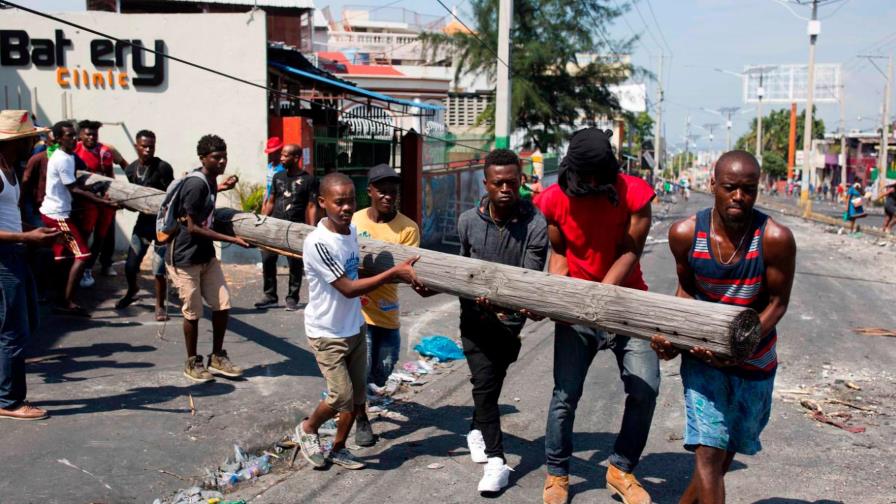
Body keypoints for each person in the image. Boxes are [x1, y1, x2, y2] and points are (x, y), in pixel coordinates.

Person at [651, 150, 796, 504]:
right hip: (702, 358)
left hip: (754, 359)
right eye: (730, 187)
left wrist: (736, 348)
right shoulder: (685, 234)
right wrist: (674, 337)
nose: (739, 197)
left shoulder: (774, 238)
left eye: (748, 189)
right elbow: (686, 291)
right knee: (708, 452)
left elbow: (777, 303)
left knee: (724, 451)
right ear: (712, 184)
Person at [534, 128, 658, 504]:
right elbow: (558, 254)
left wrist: (600, 299)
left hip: (627, 302)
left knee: (645, 388)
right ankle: (557, 473)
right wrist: (560, 297)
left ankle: (621, 468)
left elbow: (630, 250)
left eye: (596, 175)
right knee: (565, 395)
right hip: (577, 308)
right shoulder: (553, 200)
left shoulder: (635, 192)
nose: (589, 182)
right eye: (582, 175)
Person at [295, 172, 420, 471]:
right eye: (339, 202)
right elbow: (348, 289)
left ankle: (338, 448)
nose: (346, 208)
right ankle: (308, 429)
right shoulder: (318, 243)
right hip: (327, 332)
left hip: (353, 326)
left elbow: (355, 274)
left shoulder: (350, 232)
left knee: (357, 397)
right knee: (341, 395)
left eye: (350, 201)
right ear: (323, 202)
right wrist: (393, 273)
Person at [457, 149, 548, 494]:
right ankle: (497, 461)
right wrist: (475, 300)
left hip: (510, 322)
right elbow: (461, 271)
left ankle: (477, 427)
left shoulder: (535, 224)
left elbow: (530, 277)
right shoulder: (467, 221)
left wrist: (501, 305)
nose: (506, 188)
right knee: (483, 382)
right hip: (473, 319)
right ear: (487, 184)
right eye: (499, 183)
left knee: (492, 381)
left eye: (512, 181)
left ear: (521, 181)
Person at [351, 163, 425, 447]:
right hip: (357, 309)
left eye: (392, 192)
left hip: (387, 309)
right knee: (363, 367)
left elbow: (406, 271)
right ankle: (360, 417)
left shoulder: (407, 229)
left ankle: (355, 392)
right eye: (382, 191)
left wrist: (374, 271)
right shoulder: (355, 221)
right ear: (369, 191)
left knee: (382, 371)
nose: (387, 196)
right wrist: (388, 271)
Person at [166, 134, 247, 382]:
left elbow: (206, 203)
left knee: (222, 303)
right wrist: (232, 240)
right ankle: (192, 362)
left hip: (205, 255)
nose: (222, 161)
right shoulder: (197, 184)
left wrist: (222, 187)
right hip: (185, 256)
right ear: (203, 158)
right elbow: (192, 227)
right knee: (193, 312)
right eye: (216, 157)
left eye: (224, 156)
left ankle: (217, 356)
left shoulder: (210, 181)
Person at [0, 110, 61, 420]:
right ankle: (9, 401)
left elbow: (8, 217)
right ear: (16, 141)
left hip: (16, 253)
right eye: (30, 137)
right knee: (12, 331)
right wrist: (27, 235)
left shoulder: (9, 167)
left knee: (29, 323)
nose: (36, 141)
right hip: (3, 259)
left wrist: (35, 232)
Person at [39, 121, 118, 316]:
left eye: (74, 135)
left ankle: (59, 297)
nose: (74, 138)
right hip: (58, 215)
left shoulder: (66, 156)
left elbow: (76, 184)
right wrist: (103, 202)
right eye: (69, 135)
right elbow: (74, 189)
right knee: (82, 256)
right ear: (58, 138)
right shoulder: (63, 159)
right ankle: (68, 302)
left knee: (63, 257)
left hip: (54, 212)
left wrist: (92, 189)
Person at [115, 130, 175, 321]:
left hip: (160, 226)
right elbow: (134, 199)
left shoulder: (163, 168)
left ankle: (159, 306)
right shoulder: (132, 169)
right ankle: (132, 290)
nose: (148, 150)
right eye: (144, 146)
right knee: (130, 266)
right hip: (142, 224)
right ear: (136, 147)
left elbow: (171, 196)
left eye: (151, 146)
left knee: (158, 269)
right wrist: (122, 203)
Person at [255, 143, 316, 311]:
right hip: (274, 226)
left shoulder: (308, 179)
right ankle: (270, 295)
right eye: (281, 155)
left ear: (296, 158)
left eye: (285, 155)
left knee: (295, 263)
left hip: (295, 228)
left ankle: (292, 297)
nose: (281, 158)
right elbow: (271, 201)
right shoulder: (278, 177)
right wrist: (263, 221)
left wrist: (311, 230)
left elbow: (311, 206)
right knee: (268, 259)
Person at [73, 120, 127, 287]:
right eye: (88, 134)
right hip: (84, 199)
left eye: (94, 134)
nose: (91, 137)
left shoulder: (105, 151)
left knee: (102, 235)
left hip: (103, 198)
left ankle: (90, 267)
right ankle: (79, 265)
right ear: (80, 135)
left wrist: (112, 197)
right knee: (85, 233)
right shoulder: (74, 150)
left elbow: (111, 175)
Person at [263, 136, 285, 200]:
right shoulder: (269, 166)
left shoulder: (283, 168)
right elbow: (268, 187)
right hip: (270, 199)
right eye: (270, 153)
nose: (271, 155)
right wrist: (265, 202)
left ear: (279, 152)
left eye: (273, 153)